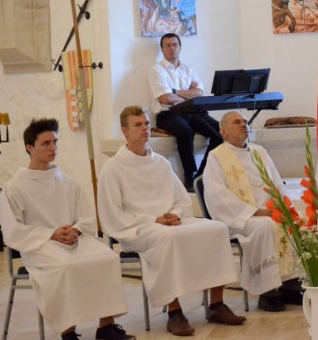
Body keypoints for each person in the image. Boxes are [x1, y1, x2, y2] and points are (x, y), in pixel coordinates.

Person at [98, 106, 245, 336]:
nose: (145, 128)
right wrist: (153, 219)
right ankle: (175, 313)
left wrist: (175, 213)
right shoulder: (113, 168)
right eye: (138, 125)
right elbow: (112, 213)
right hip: (137, 228)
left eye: (147, 123)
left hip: (170, 221)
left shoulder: (160, 162)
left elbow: (181, 199)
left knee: (217, 229)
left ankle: (216, 305)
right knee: (166, 238)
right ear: (124, 131)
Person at [0, 118, 133, 340]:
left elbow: (86, 217)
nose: (53, 148)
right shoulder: (14, 187)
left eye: (55, 142)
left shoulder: (68, 182)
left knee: (107, 257)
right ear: (29, 147)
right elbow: (13, 230)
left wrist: (76, 229)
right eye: (45, 143)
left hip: (74, 239)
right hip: (40, 246)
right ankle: (68, 332)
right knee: (65, 266)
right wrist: (52, 234)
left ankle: (106, 327)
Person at [203, 111, 303, 312]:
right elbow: (217, 195)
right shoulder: (216, 157)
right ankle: (268, 292)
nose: (243, 125)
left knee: (296, 221)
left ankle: (291, 286)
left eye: (245, 121)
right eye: (237, 122)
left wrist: (282, 206)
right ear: (223, 132)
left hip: (269, 212)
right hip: (239, 217)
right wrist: (256, 212)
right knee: (265, 227)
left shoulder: (260, 152)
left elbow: (277, 183)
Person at [148, 33, 223, 189]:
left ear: (180, 47)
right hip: (168, 114)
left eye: (175, 44)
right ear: (162, 49)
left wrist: (175, 91)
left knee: (220, 132)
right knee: (185, 131)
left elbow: (200, 93)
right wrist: (188, 94)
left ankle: (202, 174)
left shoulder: (188, 69)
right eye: (168, 45)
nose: (172, 48)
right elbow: (166, 98)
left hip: (191, 112)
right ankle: (190, 176)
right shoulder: (157, 70)